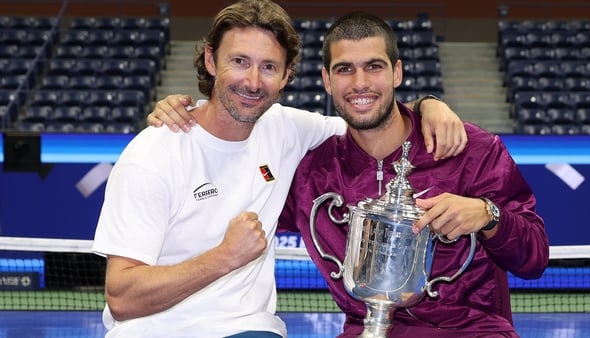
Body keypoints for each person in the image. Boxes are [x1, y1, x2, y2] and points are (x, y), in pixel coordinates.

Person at [93, 1, 466, 337]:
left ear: (286, 76)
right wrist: (224, 257)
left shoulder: (286, 128)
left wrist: (428, 105)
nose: (253, 82)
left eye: (268, 67)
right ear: (211, 61)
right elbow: (123, 298)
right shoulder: (153, 153)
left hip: (248, 328)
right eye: (239, 61)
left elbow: (370, 116)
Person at [275, 11, 549, 337]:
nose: (360, 82)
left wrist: (489, 216)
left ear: (397, 73)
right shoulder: (311, 174)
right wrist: (199, 119)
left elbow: (534, 259)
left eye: (374, 66)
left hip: (473, 331)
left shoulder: (471, 150)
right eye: (345, 69)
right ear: (327, 80)